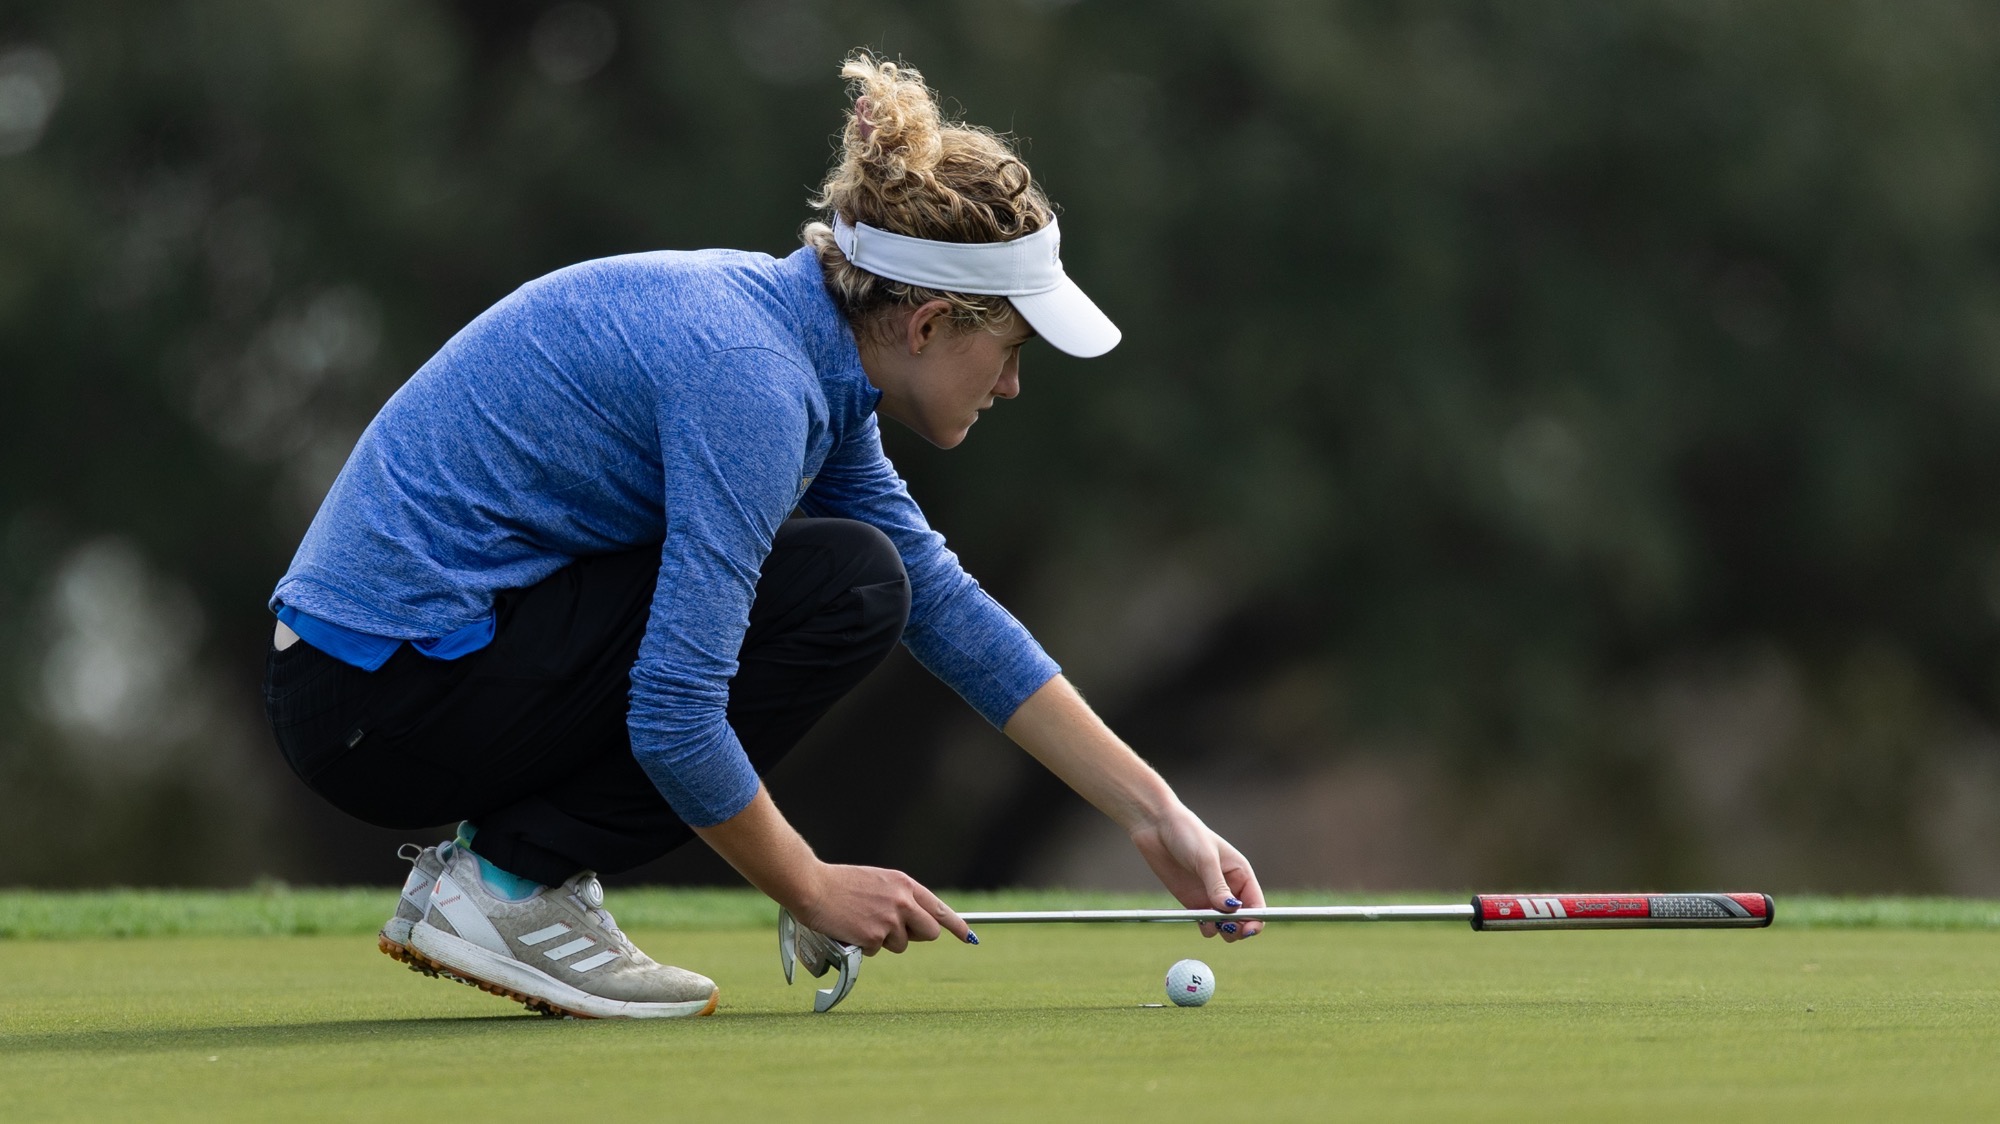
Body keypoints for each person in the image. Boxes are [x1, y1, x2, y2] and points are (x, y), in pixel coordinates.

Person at [262, 53, 1265, 1020]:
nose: (1010, 384)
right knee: (848, 584)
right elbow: (672, 714)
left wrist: (1155, 813)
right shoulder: (752, 381)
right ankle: (505, 884)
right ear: (924, 325)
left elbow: (945, 606)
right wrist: (811, 883)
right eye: (1006, 349)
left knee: (870, 577)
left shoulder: (801, 353)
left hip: (390, 678)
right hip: (379, 697)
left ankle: (512, 872)